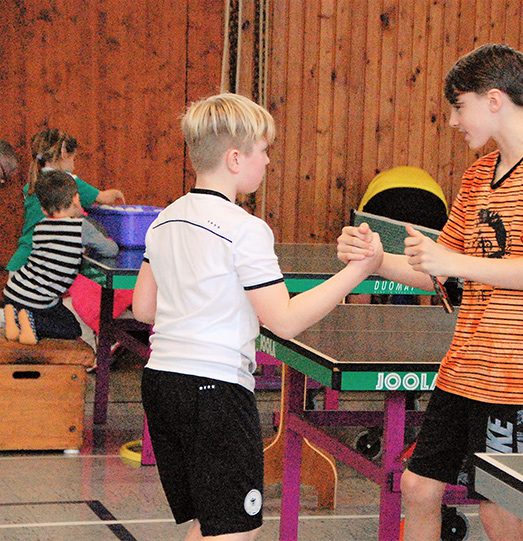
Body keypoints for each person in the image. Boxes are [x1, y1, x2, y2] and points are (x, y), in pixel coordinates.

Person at [338, 44, 523, 541]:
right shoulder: (476, 176)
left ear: (494, 100)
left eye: (459, 107)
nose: (452, 121)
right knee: (418, 487)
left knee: (499, 512)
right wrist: (376, 260)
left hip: (516, 378)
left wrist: (454, 263)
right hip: (464, 369)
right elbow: (439, 274)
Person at [131, 92, 382, 541]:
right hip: (215, 393)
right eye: (263, 150)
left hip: (161, 384)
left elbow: (144, 308)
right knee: (235, 532)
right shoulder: (245, 229)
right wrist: (357, 272)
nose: (267, 160)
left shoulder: (165, 219)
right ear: (234, 159)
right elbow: (283, 321)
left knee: (210, 524)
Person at [5, 129, 129, 351]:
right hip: (38, 272)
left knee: (37, 315)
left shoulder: (34, 184)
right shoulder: (67, 183)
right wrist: (116, 194)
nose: (74, 164)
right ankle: (95, 350)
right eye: (74, 158)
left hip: (19, 265)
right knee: (63, 318)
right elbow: (103, 198)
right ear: (64, 154)